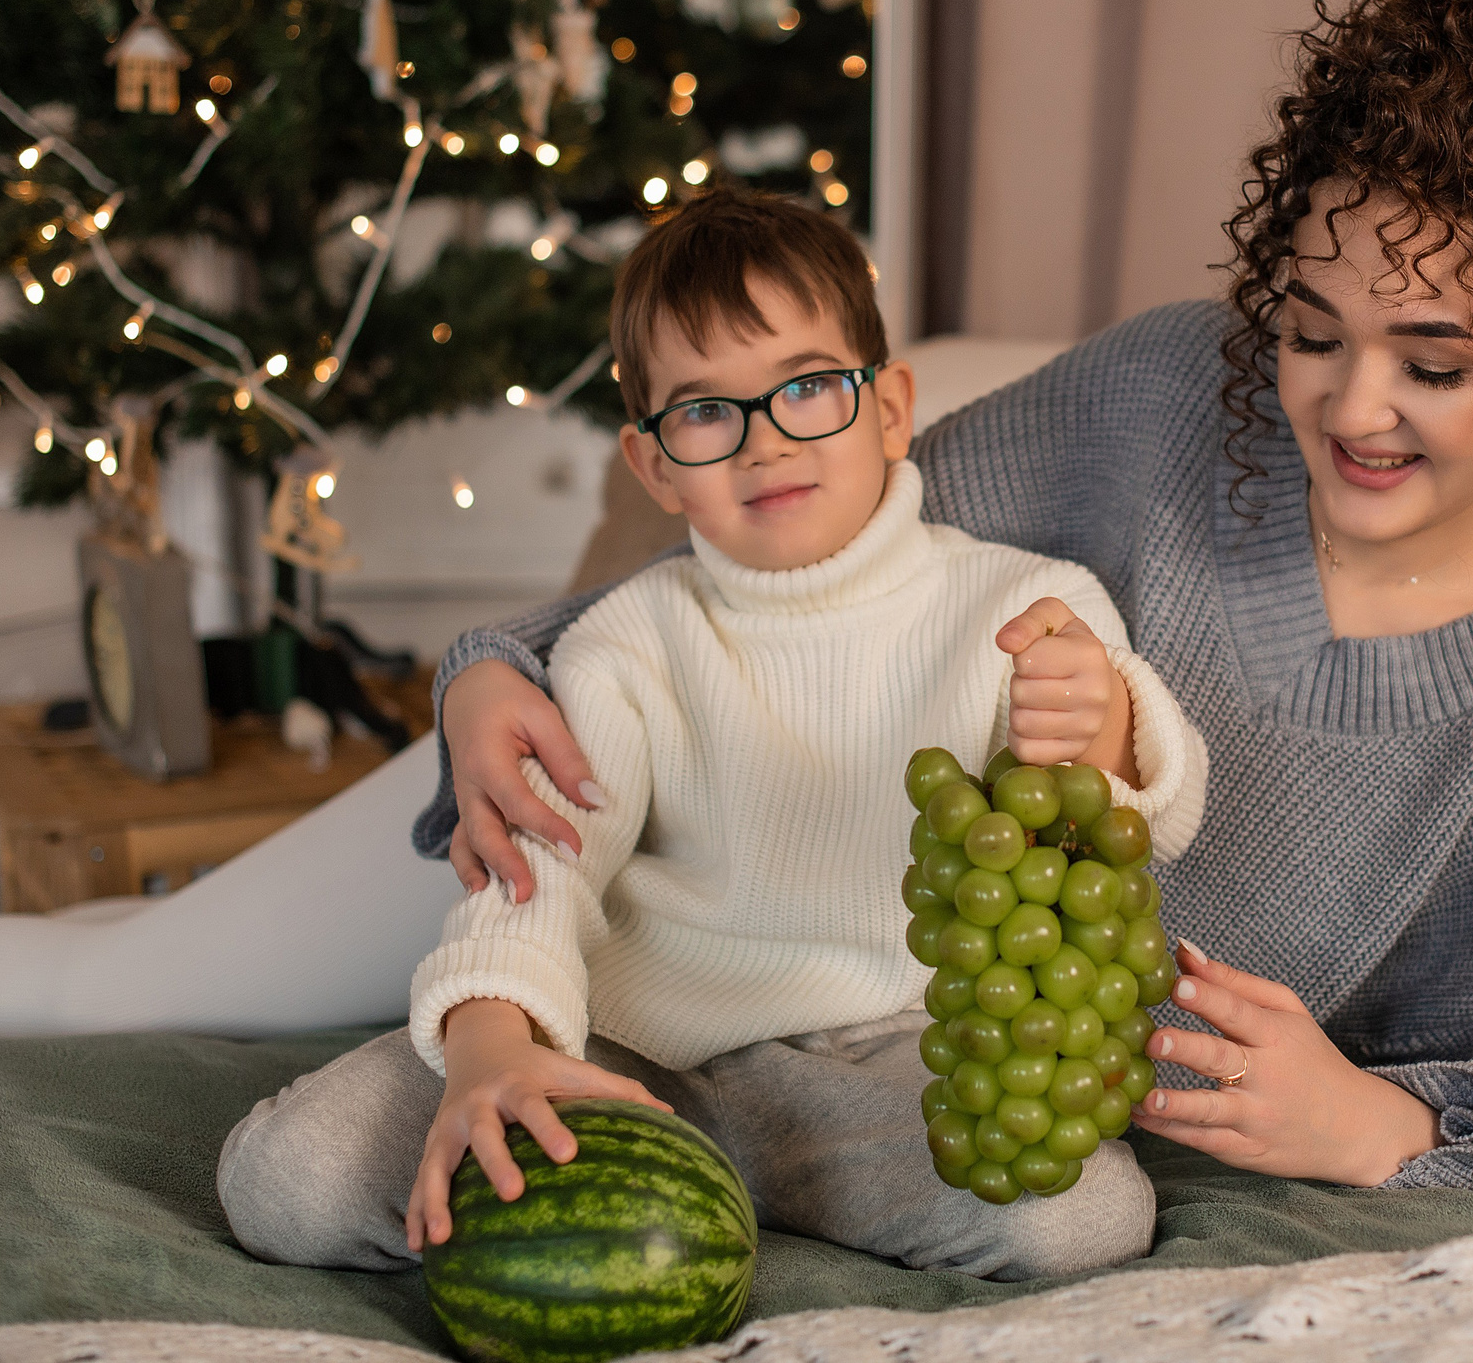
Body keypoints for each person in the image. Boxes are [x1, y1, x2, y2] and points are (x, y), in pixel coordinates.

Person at [422, 0, 1473, 1194]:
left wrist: (1371, 1123)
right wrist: (493, 668)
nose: (1352, 409)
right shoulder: (1174, 391)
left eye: (1432, 364)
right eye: (1312, 334)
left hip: (1024, 1162)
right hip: (872, 1053)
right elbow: (809, 544)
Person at [212, 191, 1205, 1281]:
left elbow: (1133, 833)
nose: (764, 440)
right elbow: (541, 864)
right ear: (653, 465)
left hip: (887, 1072)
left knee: (1079, 1221)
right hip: (631, 1060)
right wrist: (491, 1045)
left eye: (808, 386)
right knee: (287, 1178)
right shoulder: (625, 639)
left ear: (888, 410)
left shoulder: (1031, 604)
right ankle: (676, 1181)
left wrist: (1107, 731)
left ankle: (719, 1200)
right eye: (704, 410)